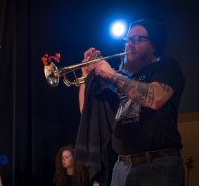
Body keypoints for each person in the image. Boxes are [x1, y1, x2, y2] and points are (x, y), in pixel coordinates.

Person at [79, 19, 185, 186]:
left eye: (137, 39)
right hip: (121, 166)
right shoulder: (124, 79)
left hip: (158, 166)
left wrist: (113, 76)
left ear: (154, 46)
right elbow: (87, 112)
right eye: (127, 40)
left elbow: (155, 98)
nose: (129, 45)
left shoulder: (167, 67)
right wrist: (86, 78)